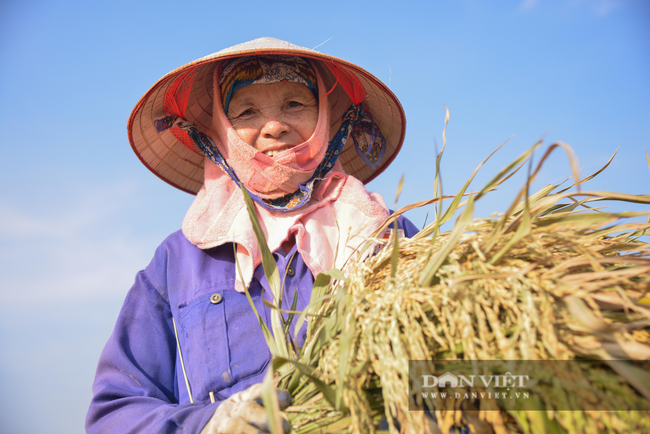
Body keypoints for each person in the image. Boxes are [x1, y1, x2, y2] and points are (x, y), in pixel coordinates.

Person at [86, 37, 418, 434]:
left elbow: (473, 362)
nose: (274, 126)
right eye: (246, 111)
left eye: (295, 104)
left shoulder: (385, 234)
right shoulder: (178, 263)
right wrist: (212, 425)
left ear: (326, 116)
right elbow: (114, 413)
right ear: (221, 131)